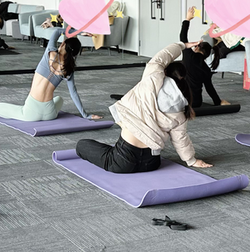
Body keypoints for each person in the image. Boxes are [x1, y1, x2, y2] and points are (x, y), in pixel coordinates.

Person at [75, 42, 211, 173]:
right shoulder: (181, 109)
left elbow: (160, 58)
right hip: (152, 163)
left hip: (123, 161)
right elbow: (180, 139)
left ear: (164, 72)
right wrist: (191, 160)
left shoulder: (151, 82)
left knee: (82, 144)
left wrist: (182, 45)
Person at [0, 26, 98, 121]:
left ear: (63, 44)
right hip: (50, 114)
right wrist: (85, 115)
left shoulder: (50, 52)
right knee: (59, 99)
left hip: (31, 113)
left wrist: (80, 32)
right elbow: (73, 94)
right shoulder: (68, 70)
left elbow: (57, 31)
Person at [179, 7, 229, 109]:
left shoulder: (189, 56)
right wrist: (218, 102)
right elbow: (209, 88)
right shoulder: (206, 69)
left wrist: (187, 19)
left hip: (183, 102)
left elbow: (183, 37)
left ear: (196, 47)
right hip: (197, 102)